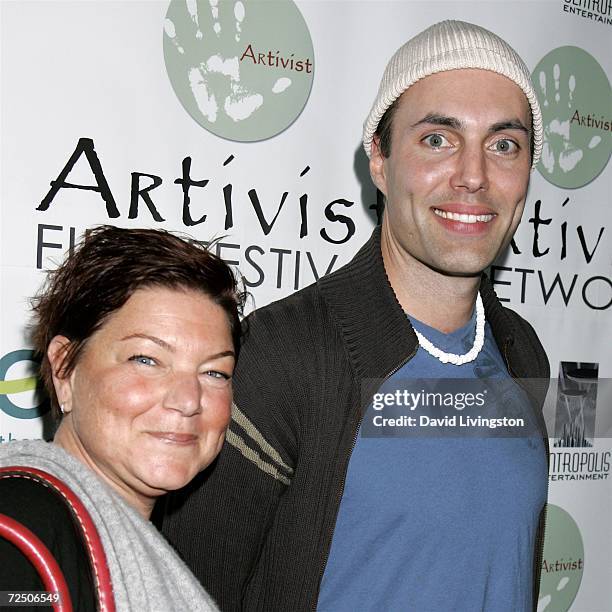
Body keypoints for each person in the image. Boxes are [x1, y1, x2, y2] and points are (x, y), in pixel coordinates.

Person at [161, 20, 550, 612]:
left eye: (504, 145)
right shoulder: (288, 354)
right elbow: (185, 589)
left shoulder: (523, 351)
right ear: (379, 159)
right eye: (438, 139)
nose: (474, 176)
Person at [0, 226, 244, 611]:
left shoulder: (153, 554)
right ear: (65, 369)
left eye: (214, 372)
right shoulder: (19, 533)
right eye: (146, 359)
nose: (187, 401)